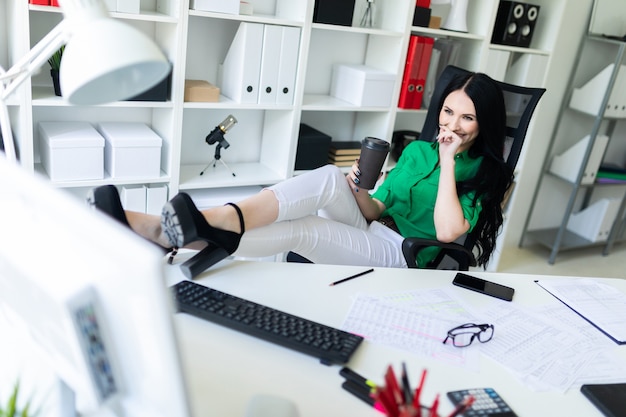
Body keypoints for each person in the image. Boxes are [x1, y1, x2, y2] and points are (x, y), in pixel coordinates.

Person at [90, 71, 513, 277]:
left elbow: (445, 232)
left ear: (484, 124)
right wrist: (355, 189)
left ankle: (167, 230)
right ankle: (193, 228)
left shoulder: (486, 174)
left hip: (402, 254)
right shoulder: (418, 150)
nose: (452, 124)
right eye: (447, 111)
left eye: (467, 118)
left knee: (304, 230)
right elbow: (377, 207)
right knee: (331, 176)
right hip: (372, 226)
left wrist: (452, 163)